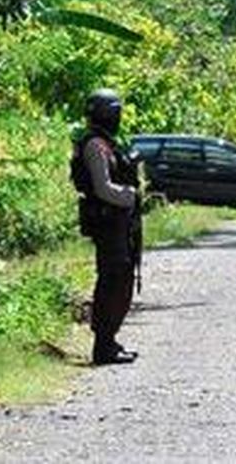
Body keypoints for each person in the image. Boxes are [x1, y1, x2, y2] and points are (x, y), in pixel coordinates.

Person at [70, 88, 142, 365]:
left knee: (121, 278)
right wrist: (129, 195)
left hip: (116, 222)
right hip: (107, 221)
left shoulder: (105, 142)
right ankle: (103, 346)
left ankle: (109, 341)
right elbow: (102, 188)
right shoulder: (94, 145)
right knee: (112, 280)